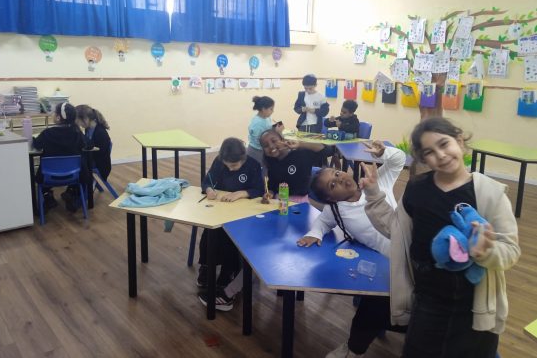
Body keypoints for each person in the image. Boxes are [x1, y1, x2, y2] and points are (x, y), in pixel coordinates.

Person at [362, 117, 520, 358]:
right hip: (428, 301)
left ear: (460, 142)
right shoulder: (417, 189)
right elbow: (396, 230)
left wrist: (486, 251)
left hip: (473, 304)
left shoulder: (489, 193)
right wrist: (373, 193)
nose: (441, 155)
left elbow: (510, 250)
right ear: (424, 159)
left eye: (444, 144)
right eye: (430, 152)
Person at [298, 141, 407, 358]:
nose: (340, 179)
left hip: (410, 255)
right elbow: (323, 222)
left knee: (395, 308)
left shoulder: (375, 183)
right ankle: (354, 349)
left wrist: (384, 153)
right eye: (332, 185)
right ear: (330, 199)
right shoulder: (336, 209)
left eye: (337, 174)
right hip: (386, 262)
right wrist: (315, 233)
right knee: (373, 306)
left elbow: (399, 160)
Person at [209, 129, 334, 308]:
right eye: (266, 145)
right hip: (278, 204)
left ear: (283, 139)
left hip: (299, 206)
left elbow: (328, 150)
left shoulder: (302, 153)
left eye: (274, 141)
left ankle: (230, 292)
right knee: (259, 242)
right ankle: (241, 276)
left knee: (272, 246)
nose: (271, 147)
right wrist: (270, 193)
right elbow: (272, 185)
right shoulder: (270, 161)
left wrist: (300, 143)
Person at [196, 137, 263, 312]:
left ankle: (228, 271)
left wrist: (241, 193)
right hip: (221, 208)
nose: (230, 169)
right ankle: (206, 266)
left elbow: (259, 189)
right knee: (210, 231)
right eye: (227, 165)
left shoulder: (253, 165)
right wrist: (209, 189)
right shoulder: (219, 162)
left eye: (234, 166)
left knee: (231, 237)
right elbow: (207, 180)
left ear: (243, 158)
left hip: (243, 213)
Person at [33, 102, 88, 212]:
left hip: (48, 177)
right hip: (73, 175)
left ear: (58, 117)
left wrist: (33, 139)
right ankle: (72, 193)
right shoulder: (77, 133)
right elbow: (86, 145)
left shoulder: (48, 133)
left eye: (54, 113)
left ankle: (47, 196)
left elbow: (37, 145)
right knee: (83, 168)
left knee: (38, 179)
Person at [75, 105, 112, 181]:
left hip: (100, 166)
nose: (78, 124)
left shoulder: (100, 132)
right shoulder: (88, 129)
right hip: (92, 161)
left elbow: (99, 153)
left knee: (76, 166)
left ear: (85, 119)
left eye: (78, 121)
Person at [247, 96, 283, 164]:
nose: (273, 111)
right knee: (261, 167)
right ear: (263, 109)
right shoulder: (257, 124)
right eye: (271, 109)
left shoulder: (266, 117)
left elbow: (268, 129)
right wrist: (278, 132)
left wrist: (274, 128)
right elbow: (262, 140)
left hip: (263, 149)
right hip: (257, 151)